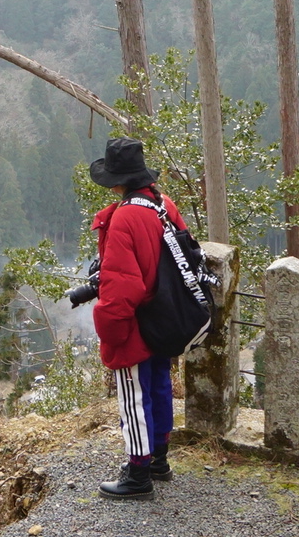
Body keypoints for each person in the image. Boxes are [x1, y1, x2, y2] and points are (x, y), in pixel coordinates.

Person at [87, 136, 185, 501]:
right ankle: (159, 460)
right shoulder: (162, 204)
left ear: (118, 179)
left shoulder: (126, 216)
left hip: (136, 323)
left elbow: (120, 286)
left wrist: (110, 333)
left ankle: (138, 474)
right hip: (165, 317)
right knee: (159, 384)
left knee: (134, 397)